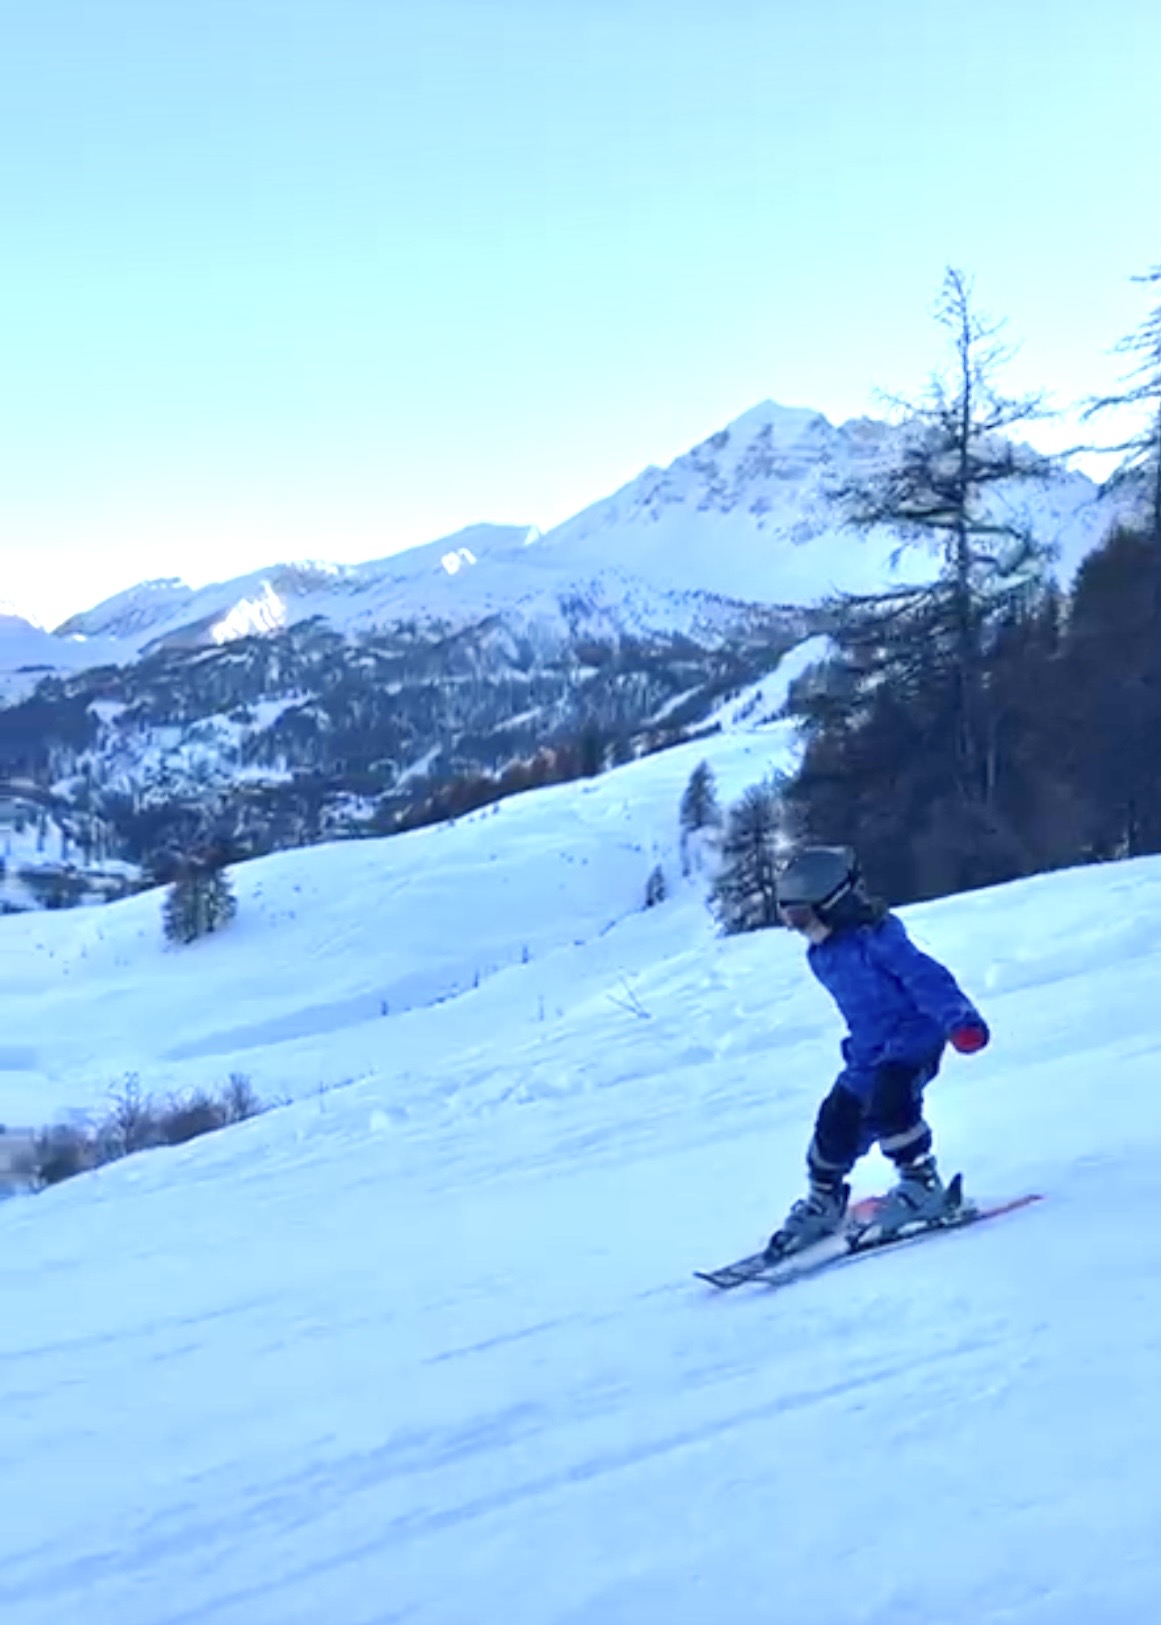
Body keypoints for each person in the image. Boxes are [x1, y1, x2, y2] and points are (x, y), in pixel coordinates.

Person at [766, 845, 990, 1261]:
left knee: (892, 1103)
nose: (796, 928)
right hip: (867, 1052)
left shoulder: (879, 939)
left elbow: (929, 980)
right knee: (837, 1118)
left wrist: (960, 1021)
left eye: (802, 917)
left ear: (833, 905)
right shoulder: (822, 954)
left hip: (914, 1038)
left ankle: (922, 1184)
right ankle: (824, 1200)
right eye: (788, 918)